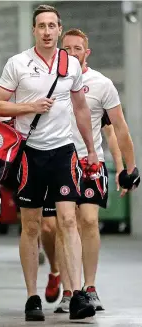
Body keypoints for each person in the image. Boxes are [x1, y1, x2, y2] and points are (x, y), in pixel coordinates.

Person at [0, 4, 99, 321]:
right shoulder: (18, 64)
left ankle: (77, 293)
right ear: (34, 30)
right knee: (32, 226)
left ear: (59, 30)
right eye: (42, 26)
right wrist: (28, 106)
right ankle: (32, 297)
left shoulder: (71, 66)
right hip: (30, 154)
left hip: (63, 152)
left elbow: (80, 109)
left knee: (68, 220)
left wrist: (89, 149)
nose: (48, 32)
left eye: (53, 26)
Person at [40, 28, 139, 314]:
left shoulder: (102, 84)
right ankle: (70, 291)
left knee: (89, 221)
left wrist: (128, 168)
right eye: (67, 49)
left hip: (88, 163)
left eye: (77, 49)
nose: (71, 53)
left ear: (87, 52)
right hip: (56, 161)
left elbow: (118, 128)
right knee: (62, 224)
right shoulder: (49, 81)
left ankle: (90, 287)